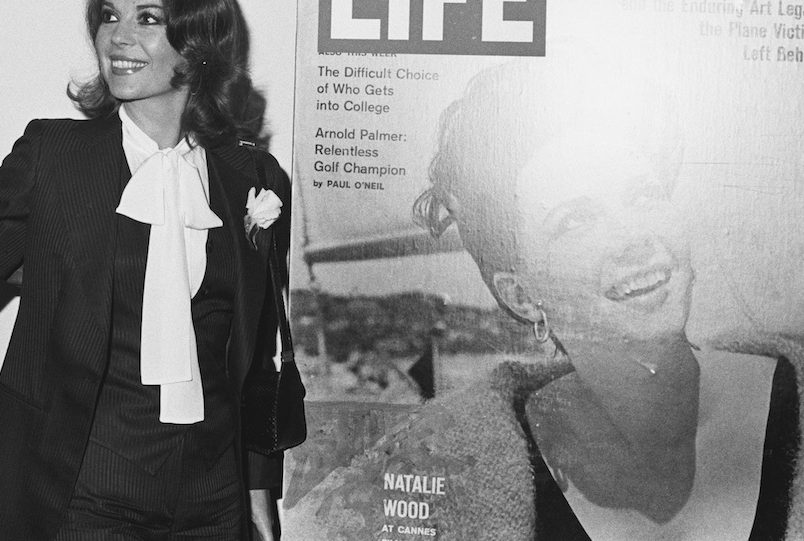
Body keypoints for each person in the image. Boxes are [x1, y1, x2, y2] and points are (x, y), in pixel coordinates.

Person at [286, 56, 804, 541]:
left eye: (644, 194)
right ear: (522, 295)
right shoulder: (458, 451)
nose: (633, 238)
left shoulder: (794, 398)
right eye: (576, 220)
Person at [0, 0, 296, 540]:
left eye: (148, 19)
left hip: (211, 503)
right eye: (109, 17)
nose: (118, 37)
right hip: (86, 496)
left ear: (198, 43)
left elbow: (255, 358)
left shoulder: (255, 180)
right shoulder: (54, 159)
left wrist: (256, 488)